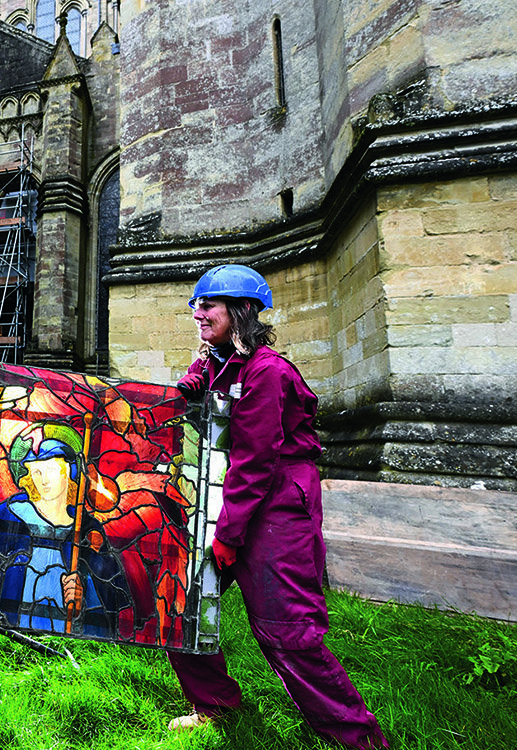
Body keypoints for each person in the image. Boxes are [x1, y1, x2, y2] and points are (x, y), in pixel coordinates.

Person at [165, 264, 388, 748]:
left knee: (286, 631)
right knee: (183, 606)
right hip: (234, 498)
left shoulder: (268, 372)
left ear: (240, 311)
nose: (198, 313)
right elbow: (198, 378)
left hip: (278, 506)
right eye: (196, 305)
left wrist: (227, 537)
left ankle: (359, 739)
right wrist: (169, 395)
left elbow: (255, 460)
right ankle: (215, 704)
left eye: (209, 305)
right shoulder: (222, 360)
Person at [0, 424, 122, 637]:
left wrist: (85, 596)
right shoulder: (6, 517)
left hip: (65, 654)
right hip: (4, 644)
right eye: (36, 471)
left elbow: (114, 606)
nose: (44, 480)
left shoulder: (87, 532)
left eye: (52, 469)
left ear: (69, 472)